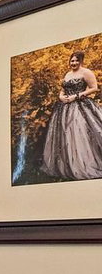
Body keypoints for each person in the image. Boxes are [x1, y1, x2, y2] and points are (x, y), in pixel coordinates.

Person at [40, 50, 102, 181]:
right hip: (64, 108)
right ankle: (67, 165)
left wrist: (76, 96)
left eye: (76, 61)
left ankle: (83, 164)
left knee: (79, 133)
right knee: (65, 134)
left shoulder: (86, 72)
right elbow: (62, 89)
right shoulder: (67, 74)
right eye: (72, 61)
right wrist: (61, 96)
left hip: (80, 107)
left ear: (81, 61)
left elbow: (94, 87)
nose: (73, 63)